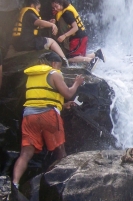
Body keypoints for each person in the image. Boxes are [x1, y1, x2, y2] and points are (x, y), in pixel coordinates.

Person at [12, 52, 85, 188]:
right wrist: (76, 83)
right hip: (48, 116)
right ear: (53, 63)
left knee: (25, 154)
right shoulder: (54, 74)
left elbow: (40, 98)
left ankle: (14, 184)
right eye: (59, 66)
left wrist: (62, 105)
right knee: (60, 152)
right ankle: (64, 184)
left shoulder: (31, 76)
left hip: (29, 116)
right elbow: (68, 93)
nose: (60, 69)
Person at [11, 0, 69, 66]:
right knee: (51, 41)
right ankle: (65, 60)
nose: (39, 10)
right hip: (27, 43)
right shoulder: (29, 13)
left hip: (18, 44)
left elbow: (38, 26)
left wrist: (49, 23)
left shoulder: (23, 13)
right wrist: (52, 25)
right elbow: (38, 22)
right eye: (38, 8)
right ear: (32, 5)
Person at [50, 0, 105, 70]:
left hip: (78, 38)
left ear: (61, 4)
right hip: (82, 36)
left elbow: (75, 28)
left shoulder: (66, 13)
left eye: (56, 6)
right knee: (79, 56)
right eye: (54, 7)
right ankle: (97, 54)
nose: (55, 9)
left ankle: (91, 61)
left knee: (70, 58)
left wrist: (64, 36)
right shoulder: (65, 11)